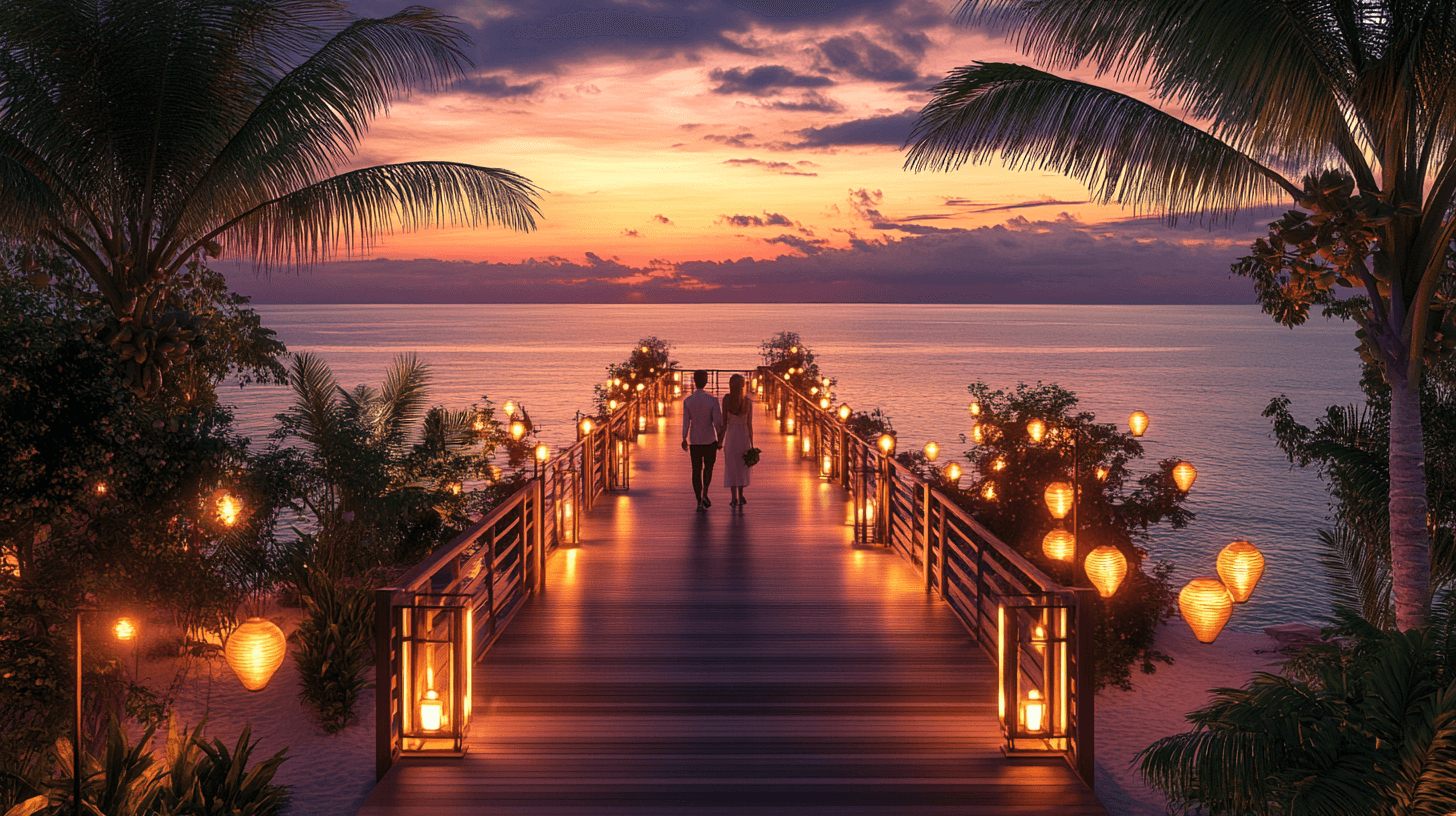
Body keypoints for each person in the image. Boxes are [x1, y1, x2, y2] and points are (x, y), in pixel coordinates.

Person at [681, 369, 723, 510]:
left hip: (695, 440)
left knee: (696, 470)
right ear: (706, 381)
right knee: (708, 468)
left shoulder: (688, 401)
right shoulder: (712, 400)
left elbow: (686, 421)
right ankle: (705, 492)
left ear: (694, 381)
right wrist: (720, 439)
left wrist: (684, 437)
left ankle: (698, 498)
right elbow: (718, 422)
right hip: (710, 439)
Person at [720, 373, 753, 507]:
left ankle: (733, 498)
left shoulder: (727, 400)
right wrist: (752, 442)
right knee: (742, 466)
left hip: (732, 436)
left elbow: (724, 423)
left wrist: (719, 441)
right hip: (743, 437)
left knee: (731, 467)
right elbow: (749, 425)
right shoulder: (748, 403)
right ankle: (741, 495)